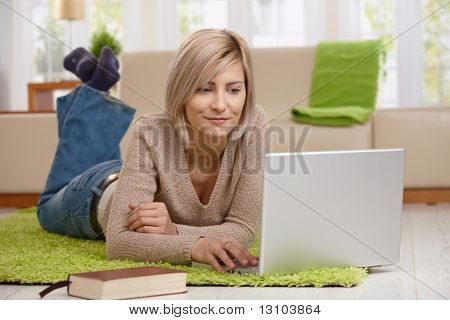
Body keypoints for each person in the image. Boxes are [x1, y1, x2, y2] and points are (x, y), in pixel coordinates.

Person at [37, 29, 268, 273]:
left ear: (246, 91)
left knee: (99, 149)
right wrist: (192, 246)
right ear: (182, 91)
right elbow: (119, 243)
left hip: (129, 174)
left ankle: (94, 86)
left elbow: (243, 230)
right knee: (46, 207)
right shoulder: (151, 131)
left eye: (233, 90)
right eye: (204, 89)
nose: (221, 105)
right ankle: (94, 91)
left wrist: (173, 231)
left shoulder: (255, 123)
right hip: (94, 192)